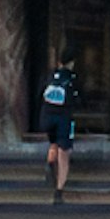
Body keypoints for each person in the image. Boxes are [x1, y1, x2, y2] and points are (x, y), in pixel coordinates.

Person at [40, 62, 78, 201]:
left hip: (47, 117)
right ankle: (59, 190)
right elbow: (76, 99)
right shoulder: (71, 78)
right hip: (64, 118)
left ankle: (50, 162)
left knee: (53, 142)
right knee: (64, 153)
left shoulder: (50, 76)